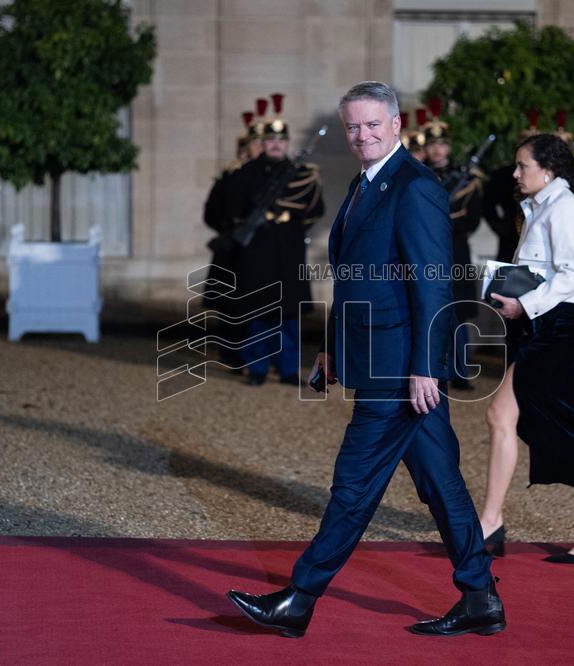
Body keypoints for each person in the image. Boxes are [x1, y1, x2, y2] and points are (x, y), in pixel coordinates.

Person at [226, 81, 504, 639]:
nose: (363, 135)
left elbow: (434, 282)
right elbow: (353, 279)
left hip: (401, 368)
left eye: (373, 124)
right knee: (440, 482)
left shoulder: (416, 186)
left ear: (398, 124)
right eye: (353, 126)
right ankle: (481, 598)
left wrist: (427, 364)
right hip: (375, 354)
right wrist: (332, 349)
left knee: (353, 485)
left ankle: (300, 600)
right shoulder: (363, 183)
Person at [480, 133, 574, 566]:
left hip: (562, 327)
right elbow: (541, 272)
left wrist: (525, 304)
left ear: (549, 170)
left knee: (563, 418)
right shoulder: (539, 209)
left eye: (523, 166)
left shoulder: (566, 210)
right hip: (542, 325)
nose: (516, 174)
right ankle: (493, 521)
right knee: (509, 415)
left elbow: (573, 274)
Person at [224, 93, 325, 386]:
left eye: (281, 140)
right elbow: (233, 210)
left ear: (287, 143)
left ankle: (288, 369)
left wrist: (287, 220)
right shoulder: (245, 174)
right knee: (256, 312)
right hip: (257, 250)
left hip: (288, 249)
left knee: (288, 315)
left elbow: (315, 209)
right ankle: (256, 368)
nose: (277, 145)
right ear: (264, 143)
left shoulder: (301, 173)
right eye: (271, 141)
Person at [422, 98, 485, 390]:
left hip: (455, 250)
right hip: (424, 253)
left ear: (448, 146)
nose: (437, 150)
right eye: (432, 144)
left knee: (459, 312)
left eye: (442, 144)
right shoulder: (416, 175)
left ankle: (460, 370)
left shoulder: (467, 179)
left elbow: (472, 218)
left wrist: (444, 226)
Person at [203, 106, 264, 370]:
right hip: (234, 249)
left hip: (261, 248)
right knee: (231, 304)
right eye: (256, 143)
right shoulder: (232, 174)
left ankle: (258, 355)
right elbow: (212, 212)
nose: (260, 148)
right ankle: (232, 353)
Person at [481, 109, 540, 263]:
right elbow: (488, 205)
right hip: (511, 238)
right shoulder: (503, 175)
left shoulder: (548, 176)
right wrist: (502, 229)